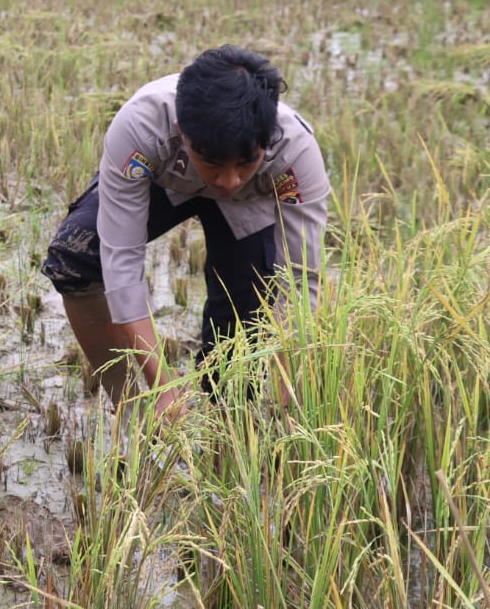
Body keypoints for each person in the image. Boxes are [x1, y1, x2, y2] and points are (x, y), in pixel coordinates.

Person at [41, 45, 328, 420]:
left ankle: (225, 425)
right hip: (164, 181)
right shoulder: (140, 126)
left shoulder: (296, 151)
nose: (228, 181)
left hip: (250, 207)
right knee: (74, 259)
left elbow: (301, 280)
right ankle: (131, 413)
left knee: (235, 356)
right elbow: (122, 260)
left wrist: (290, 386)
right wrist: (161, 386)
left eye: (246, 163)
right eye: (213, 164)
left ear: (269, 138)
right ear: (182, 132)